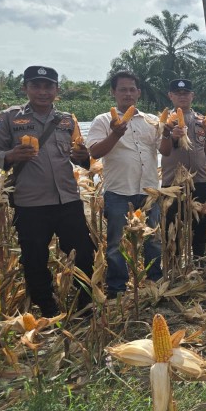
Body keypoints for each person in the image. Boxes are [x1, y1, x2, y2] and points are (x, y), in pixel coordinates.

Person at [0, 66, 95, 317]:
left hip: (67, 199)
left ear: (57, 90)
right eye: (36, 86)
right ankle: (48, 309)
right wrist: (11, 155)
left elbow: (79, 156)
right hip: (30, 202)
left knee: (84, 254)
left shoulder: (67, 120)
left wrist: (82, 156)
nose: (43, 92)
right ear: (25, 88)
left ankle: (85, 305)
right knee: (34, 259)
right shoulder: (9, 118)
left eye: (49, 87)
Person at [88, 71, 166, 297]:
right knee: (116, 245)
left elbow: (165, 150)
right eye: (122, 89)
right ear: (113, 92)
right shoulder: (103, 121)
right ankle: (117, 289)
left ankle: (154, 282)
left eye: (132, 89)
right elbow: (94, 152)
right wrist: (115, 134)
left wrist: (170, 133)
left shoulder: (151, 121)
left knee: (153, 241)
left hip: (149, 191)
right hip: (119, 193)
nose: (128, 94)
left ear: (139, 93)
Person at [159, 78, 206, 265]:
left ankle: (200, 261)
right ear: (170, 96)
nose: (182, 97)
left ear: (192, 96)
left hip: (200, 181)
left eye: (186, 93)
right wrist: (169, 135)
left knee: (201, 223)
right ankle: (173, 264)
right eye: (178, 94)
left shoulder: (203, 122)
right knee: (172, 225)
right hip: (172, 183)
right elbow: (163, 150)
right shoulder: (164, 123)